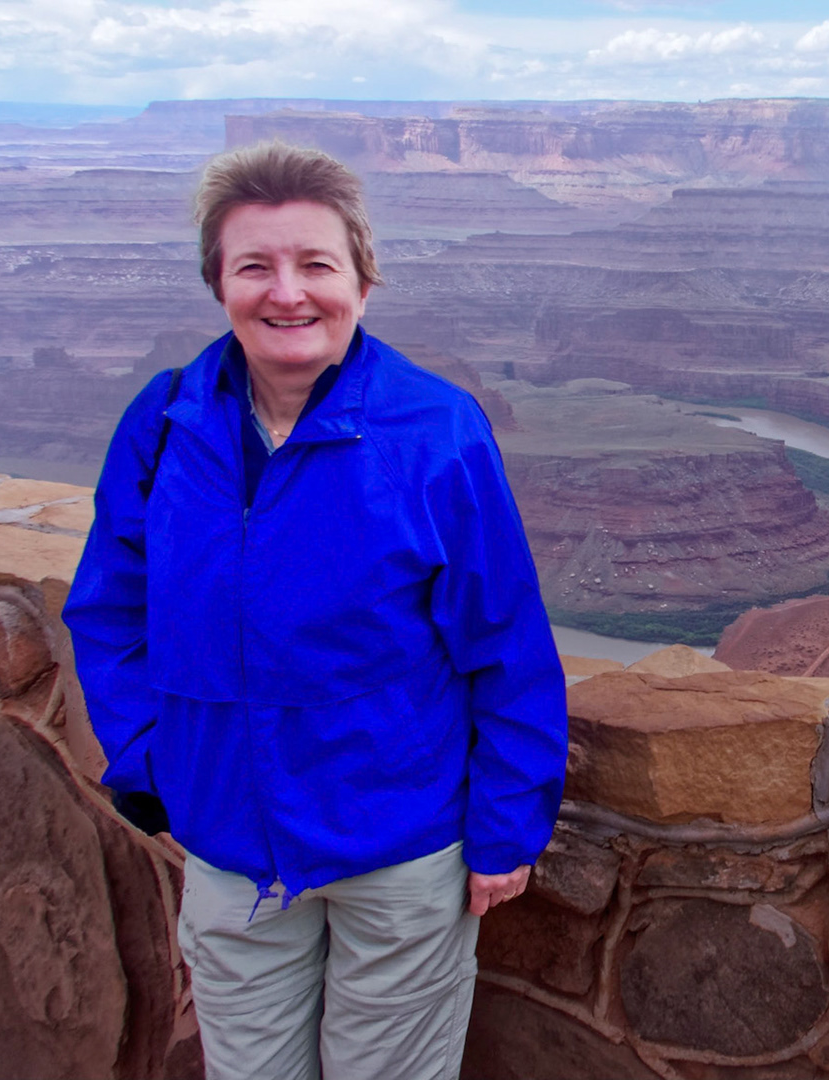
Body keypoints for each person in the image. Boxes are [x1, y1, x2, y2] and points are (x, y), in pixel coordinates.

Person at [63, 142, 568, 1080]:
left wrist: (507, 824)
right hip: (225, 845)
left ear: (363, 283)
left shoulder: (435, 431)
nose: (287, 293)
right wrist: (151, 763)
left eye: (316, 265)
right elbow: (109, 607)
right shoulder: (165, 422)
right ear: (218, 284)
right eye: (254, 266)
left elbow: (505, 641)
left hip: (399, 846)